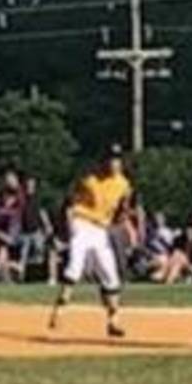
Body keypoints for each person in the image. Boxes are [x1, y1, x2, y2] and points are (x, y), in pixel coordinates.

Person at [47, 144, 132, 337]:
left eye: (117, 160)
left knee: (110, 273)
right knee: (75, 266)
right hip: (82, 222)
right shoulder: (90, 179)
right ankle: (59, 310)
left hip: (100, 229)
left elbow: (124, 207)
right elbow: (70, 203)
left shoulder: (123, 184)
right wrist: (65, 229)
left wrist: (123, 219)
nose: (114, 163)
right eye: (111, 159)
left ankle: (113, 321)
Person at [17, 175, 53, 282]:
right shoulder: (22, 199)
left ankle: (41, 274)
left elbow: (42, 212)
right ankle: (20, 277)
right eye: (28, 185)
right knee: (22, 255)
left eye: (31, 185)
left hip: (36, 230)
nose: (30, 187)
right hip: (25, 232)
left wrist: (47, 225)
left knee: (40, 251)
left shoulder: (37, 199)